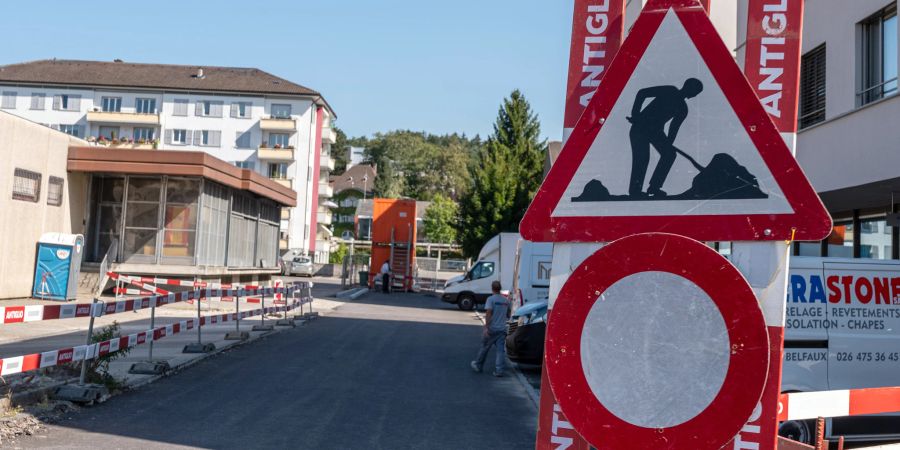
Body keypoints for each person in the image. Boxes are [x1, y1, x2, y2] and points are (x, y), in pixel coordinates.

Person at [626, 78, 704, 198]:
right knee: (642, 158)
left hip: (656, 132)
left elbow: (673, 129)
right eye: (695, 92)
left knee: (670, 154)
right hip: (640, 127)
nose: (694, 95)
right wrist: (635, 115)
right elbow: (642, 93)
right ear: (688, 87)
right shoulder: (670, 91)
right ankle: (635, 191)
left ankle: (654, 187)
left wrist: (668, 143)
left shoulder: (683, 109)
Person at [471, 280, 511, 377]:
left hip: (492, 329)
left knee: (485, 347)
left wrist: (486, 327)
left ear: (492, 288)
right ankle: (499, 370)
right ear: (500, 288)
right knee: (500, 350)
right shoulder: (506, 301)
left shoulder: (490, 299)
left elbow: (488, 313)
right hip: (502, 329)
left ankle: (478, 365)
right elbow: (508, 314)